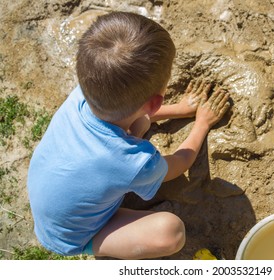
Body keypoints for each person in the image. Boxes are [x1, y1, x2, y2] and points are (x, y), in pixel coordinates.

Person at [27, 11, 230, 260]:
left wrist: (179, 110)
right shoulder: (135, 162)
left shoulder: (81, 94)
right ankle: (97, 247)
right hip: (73, 235)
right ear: (155, 102)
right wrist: (201, 123)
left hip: (52, 196)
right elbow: (179, 164)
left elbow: (137, 113)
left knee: (137, 124)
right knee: (171, 232)